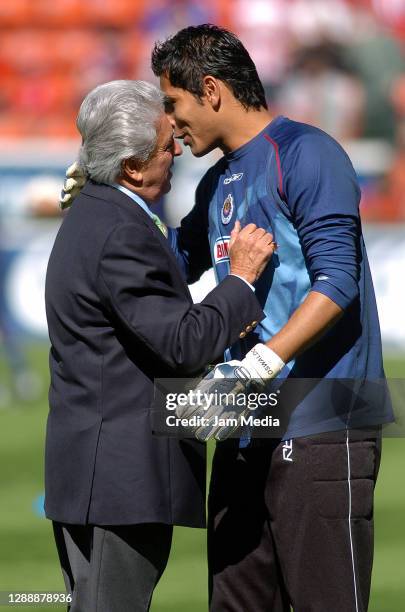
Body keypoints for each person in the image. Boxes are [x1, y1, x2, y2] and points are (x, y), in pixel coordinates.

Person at [61, 26, 393, 610]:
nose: (169, 121)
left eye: (172, 103)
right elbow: (167, 272)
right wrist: (104, 184)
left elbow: (337, 280)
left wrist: (262, 360)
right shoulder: (215, 182)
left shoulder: (308, 153)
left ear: (210, 90)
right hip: (246, 418)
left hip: (324, 416)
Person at [45, 79, 276, 612]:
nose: (177, 150)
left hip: (94, 473)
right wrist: (240, 281)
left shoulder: (97, 212)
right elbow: (180, 344)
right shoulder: (119, 228)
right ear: (131, 166)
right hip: (119, 482)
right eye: (164, 143)